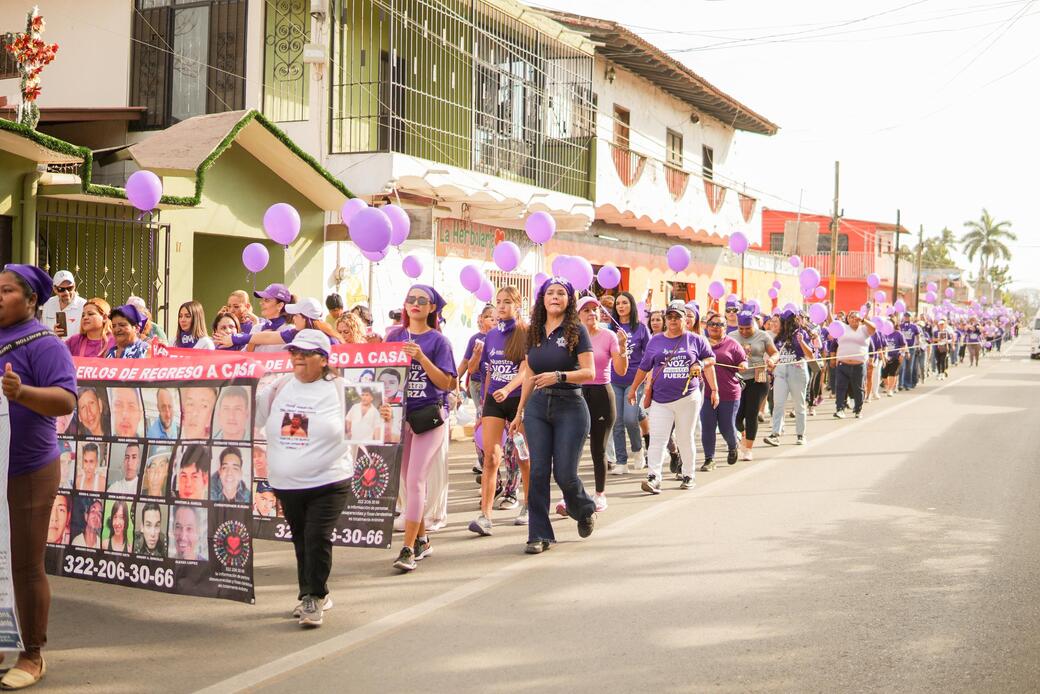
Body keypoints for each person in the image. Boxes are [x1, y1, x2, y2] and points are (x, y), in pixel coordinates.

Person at [255, 329, 390, 625]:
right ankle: (313, 594)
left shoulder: (344, 388)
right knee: (302, 540)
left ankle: (314, 597)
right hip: (287, 484)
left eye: (305, 354)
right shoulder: (280, 386)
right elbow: (252, 415)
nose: (298, 359)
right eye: (294, 353)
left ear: (323, 359)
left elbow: (371, 430)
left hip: (329, 481)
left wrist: (382, 417)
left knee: (317, 536)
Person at [509, 277, 597, 554]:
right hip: (537, 408)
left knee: (565, 474)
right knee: (537, 472)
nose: (555, 297)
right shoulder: (533, 331)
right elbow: (530, 374)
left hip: (570, 405)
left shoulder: (576, 330)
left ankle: (583, 508)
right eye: (550, 293)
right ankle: (539, 534)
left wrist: (560, 375)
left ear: (569, 300)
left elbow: (590, 373)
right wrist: (519, 411)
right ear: (542, 299)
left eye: (561, 293)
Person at [384, 286, 457, 571]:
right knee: (408, 481)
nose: (415, 304)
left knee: (415, 480)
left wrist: (422, 359)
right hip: (399, 418)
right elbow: (382, 376)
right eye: (410, 299)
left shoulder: (439, 342)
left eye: (422, 301)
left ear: (431, 309)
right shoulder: (393, 337)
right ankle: (423, 540)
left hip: (429, 417)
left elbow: (447, 383)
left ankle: (407, 549)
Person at [628, 300, 718, 492]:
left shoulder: (695, 340)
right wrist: (633, 388)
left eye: (678, 317)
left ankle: (688, 474)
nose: (673, 320)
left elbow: (711, 358)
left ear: (686, 320)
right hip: (661, 399)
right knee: (657, 438)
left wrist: (701, 366)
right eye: (670, 317)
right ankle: (654, 477)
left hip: (688, 397)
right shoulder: (656, 341)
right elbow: (644, 366)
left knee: (685, 438)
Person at [468, 288, 528, 536]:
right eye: (498, 302)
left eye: (506, 302)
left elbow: (526, 369)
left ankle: (528, 505)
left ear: (517, 305)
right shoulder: (491, 335)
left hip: (518, 400)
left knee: (524, 455)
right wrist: (483, 406)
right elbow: (489, 371)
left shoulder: (526, 333)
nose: (501, 307)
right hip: (494, 399)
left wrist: (509, 388)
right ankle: (486, 515)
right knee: (491, 457)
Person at [609, 291, 651, 475]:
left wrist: (649, 377)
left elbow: (650, 354)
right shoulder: (610, 328)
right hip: (614, 380)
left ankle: (637, 449)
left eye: (624, 302)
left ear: (631, 305)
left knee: (629, 418)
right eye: (618, 303)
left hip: (635, 380)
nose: (621, 306)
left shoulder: (641, 328)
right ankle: (621, 461)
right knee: (617, 421)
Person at [700, 311, 747, 471]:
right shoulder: (701, 343)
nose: (715, 327)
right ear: (707, 326)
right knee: (707, 426)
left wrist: (743, 365)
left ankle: (733, 445)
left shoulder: (732, 344)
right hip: (706, 393)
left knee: (726, 427)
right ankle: (709, 459)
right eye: (712, 324)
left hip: (729, 393)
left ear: (725, 328)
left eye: (719, 324)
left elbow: (742, 361)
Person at [732, 310, 777, 461]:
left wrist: (772, 360)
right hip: (738, 379)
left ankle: (748, 449)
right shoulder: (731, 337)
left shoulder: (763, 336)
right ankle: (743, 433)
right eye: (741, 328)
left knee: (751, 414)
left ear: (754, 325)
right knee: (737, 417)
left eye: (748, 328)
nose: (744, 332)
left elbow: (775, 353)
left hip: (759, 377)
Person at [762, 310, 813, 447]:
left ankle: (801, 434)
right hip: (781, 372)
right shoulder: (779, 337)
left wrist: (802, 342)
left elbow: (810, 355)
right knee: (778, 403)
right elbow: (776, 354)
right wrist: (772, 364)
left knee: (799, 404)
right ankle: (775, 434)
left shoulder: (801, 334)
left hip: (797, 371)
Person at [457, 304, 494, 474]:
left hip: (500, 386)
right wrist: (455, 379)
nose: (493, 320)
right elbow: (467, 363)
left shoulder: (506, 338)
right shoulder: (475, 339)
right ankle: (482, 461)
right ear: (481, 319)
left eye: (496, 318)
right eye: (489, 317)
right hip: (478, 384)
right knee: (481, 420)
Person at [216, 284, 294, 352]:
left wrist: (236, 338)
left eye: (266, 300)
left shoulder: (290, 329)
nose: (261, 303)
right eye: (262, 300)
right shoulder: (257, 327)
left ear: (280, 305)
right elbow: (246, 356)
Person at [243, 297, 341, 351]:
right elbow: (269, 337)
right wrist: (234, 339)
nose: (293, 318)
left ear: (306, 319)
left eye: (296, 315)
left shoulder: (331, 342)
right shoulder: (294, 333)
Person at [832, 310, 877, 419]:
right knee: (841, 388)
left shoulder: (864, 329)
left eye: (856, 317)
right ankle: (840, 409)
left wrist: (863, 320)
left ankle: (858, 410)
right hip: (843, 364)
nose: (853, 319)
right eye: (851, 317)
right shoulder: (843, 328)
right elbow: (831, 324)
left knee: (859, 389)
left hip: (859, 365)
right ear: (847, 319)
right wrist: (828, 310)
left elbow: (874, 328)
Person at [40, 269, 87, 338]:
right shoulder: (48, 304)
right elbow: (42, 331)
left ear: (74, 286)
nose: (66, 293)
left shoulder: (84, 306)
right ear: (55, 289)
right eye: (61, 289)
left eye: (69, 288)